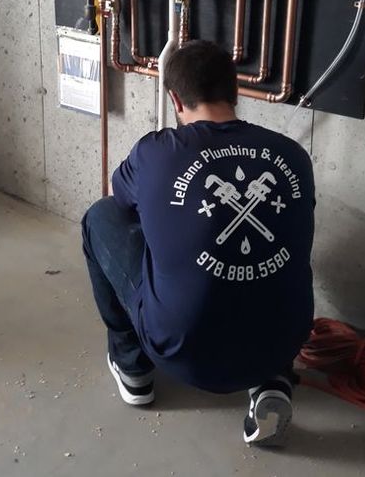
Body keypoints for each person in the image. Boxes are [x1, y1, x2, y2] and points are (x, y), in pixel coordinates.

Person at [82, 40, 315, 446]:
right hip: (283, 340)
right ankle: (271, 380)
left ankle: (133, 368)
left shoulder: (156, 151)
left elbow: (119, 200)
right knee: (280, 252)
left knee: (99, 217)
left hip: (182, 351)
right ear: (237, 92)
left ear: (174, 99)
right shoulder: (292, 155)